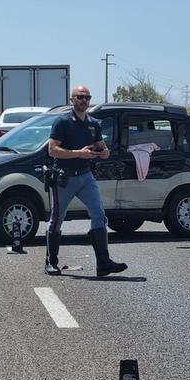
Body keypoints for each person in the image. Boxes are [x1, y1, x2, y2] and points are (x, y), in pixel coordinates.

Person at [45, 85, 127, 277]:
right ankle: (51, 262)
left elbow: (101, 146)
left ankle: (104, 263)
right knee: (57, 219)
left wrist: (104, 152)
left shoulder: (93, 124)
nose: (84, 100)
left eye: (87, 97)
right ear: (71, 100)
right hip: (64, 178)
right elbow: (52, 150)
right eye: (80, 97)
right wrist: (78, 154)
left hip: (85, 177)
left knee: (99, 214)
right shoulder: (62, 122)